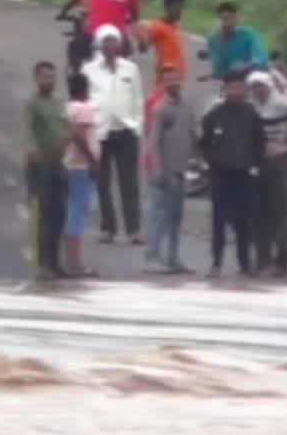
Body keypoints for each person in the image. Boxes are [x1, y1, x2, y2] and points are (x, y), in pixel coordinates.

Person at [82, 25, 145, 245]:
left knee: (129, 182)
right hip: (100, 132)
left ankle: (133, 229)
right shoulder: (89, 70)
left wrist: (137, 126)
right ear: (99, 44)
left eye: (114, 41)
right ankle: (108, 228)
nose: (110, 45)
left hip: (125, 130)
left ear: (119, 44)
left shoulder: (130, 68)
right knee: (102, 182)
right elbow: (84, 100)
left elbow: (137, 99)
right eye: (106, 41)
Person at [247, 71, 287, 278]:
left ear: (269, 86)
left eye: (261, 86)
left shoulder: (282, 103)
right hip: (259, 161)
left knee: (279, 212)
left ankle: (281, 262)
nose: (258, 91)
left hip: (281, 160)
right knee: (259, 214)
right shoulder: (252, 107)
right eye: (254, 87)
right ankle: (262, 261)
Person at [199, 71, 264, 277]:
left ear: (245, 90)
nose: (235, 92)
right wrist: (212, 160)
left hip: (244, 174)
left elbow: (259, 142)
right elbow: (203, 142)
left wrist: (254, 164)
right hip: (221, 174)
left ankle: (244, 263)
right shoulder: (215, 115)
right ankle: (216, 263)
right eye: (231, 88)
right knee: (218, 220)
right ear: (225, 90)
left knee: (243, 220)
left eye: (239, 88)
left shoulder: (251, 114)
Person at [145, 67, 197, 274]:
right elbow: (153, 142)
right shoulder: (161, 109)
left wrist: (198, 160)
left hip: (180, 169)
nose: (173, 83)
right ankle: (153, 256)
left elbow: (193, 135)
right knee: (159, 214)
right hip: (163, 169)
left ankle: (173, 257)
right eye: (168, 81)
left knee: (176, 216)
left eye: (175, 79)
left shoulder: (187, 106)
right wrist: (156, 169)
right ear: (162, 84)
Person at [23, 61, 69, 278]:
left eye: (52, 77)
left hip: (59, 164)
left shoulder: (58, 103)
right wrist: (32, 150)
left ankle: (54, 261)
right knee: (43, 216)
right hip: (40, 166)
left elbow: (65, 126)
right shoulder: (33, 104)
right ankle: (43, 265)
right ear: (36, 79)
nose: (49, 81)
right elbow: (28, 130)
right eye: (45, 77)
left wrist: (67, 139)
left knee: (59, 215)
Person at [57, 0, 141, 68]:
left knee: (73, 47)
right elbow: (135, 16)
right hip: (117, 37)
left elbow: (74, 0)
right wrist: (131, 21)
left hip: (93, 33)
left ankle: (76, 75)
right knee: (127, 52)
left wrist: (63, 12)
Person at [62, 72, 100, 278]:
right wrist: (92, 160)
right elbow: (78, 135)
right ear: (86, 89)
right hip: (80, 167)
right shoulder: (84, 109)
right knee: (78, 213)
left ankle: (70, 261)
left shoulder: (66, 108)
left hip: (68, 165)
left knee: (71, 211)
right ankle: (75, 263)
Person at [206, 2, 268, 79]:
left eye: (230, 18)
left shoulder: (248, 34)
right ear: (218, 21)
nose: (227, 23)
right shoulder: (213, 40)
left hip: (252, 78)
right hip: (231, 81)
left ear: (236, 19)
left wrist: (246, 65)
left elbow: (261, 58)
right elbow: (218, 67)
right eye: (224, 19)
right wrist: (221, 41)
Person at [139, 0, 187, 83]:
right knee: (166, 96)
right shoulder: (157, 26)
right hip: (166, 76)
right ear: (167, 8)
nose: (180, 12)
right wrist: (141, 39)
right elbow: (143, 49)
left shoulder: (175, 25)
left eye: (181, 8)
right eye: (177, 9)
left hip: (176, 77)